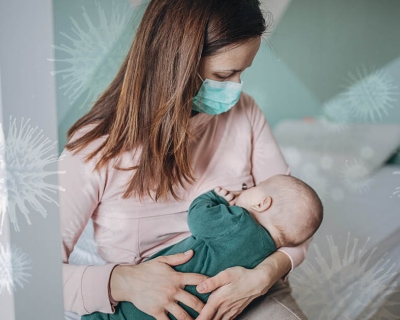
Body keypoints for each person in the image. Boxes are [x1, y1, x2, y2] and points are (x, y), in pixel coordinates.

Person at [60, 0, 311, 319]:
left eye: (242, 73)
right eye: (225, 73)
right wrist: (121, 282)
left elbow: (296, 221)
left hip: (250, 291)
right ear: (174, 63)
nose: (236, 89)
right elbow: (30, 273)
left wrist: (262, 277)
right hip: (151, 308)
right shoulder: (94, 148)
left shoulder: (244, 113)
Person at [81, 175, 323, 320]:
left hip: (154, 296)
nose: (243, 191)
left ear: (262, 203)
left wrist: (214, 198)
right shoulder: (267, 252)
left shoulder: (238, 221)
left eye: (251, 188)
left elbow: (198, 218)